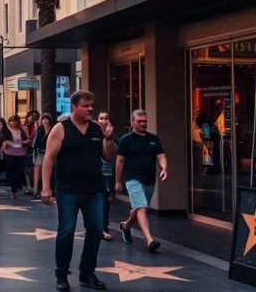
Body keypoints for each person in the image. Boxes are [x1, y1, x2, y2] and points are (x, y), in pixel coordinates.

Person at [41, 90, 116, 292]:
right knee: (66, 231)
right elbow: (48, 158)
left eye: (92, 105)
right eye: (86, 105)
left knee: (94, 231)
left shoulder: (97, 129)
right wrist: (46, 187)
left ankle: (87, 274)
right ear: (74, 107)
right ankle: (62, 275)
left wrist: (108, 139)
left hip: (94, 191)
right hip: (68, 191)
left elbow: (109, 157)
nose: (90, 108)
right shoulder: (61, 128)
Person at [116, 109, 168, 253]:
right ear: (133, 122)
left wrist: (164, 168)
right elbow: (119, 161)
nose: (143, 123)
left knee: (140, 208)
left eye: (145, 121)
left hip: (149, 179)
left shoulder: (153, 139)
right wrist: (118, 181)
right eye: (140, 121)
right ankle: (149, 240)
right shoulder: (126, 140)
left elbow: (161, 156)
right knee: (142, 208)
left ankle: (125, 226)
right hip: (132, 178)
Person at [97, 111, 116, 240]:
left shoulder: (112, 137)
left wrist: (107, 137)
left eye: (106, 118)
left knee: (105, 202)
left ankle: (103, 227)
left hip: (106, 174)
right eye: (101, 118)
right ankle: (95, 228)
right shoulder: (91, 134)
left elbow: (110, 156)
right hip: (93, 174)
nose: (104, 121)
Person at [2, 115, 29, 198]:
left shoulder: (22, 130)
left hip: (20, 153)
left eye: (15, 121)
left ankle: (19, 186)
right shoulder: (7, 131)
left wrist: (23, 142)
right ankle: (14, 190)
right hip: (10, 154)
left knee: (19, 171)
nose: (13, 123)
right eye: (12, 122)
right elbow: (4, 140)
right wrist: (6, 145)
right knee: (11, 172)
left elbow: (28, 140)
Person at [31, 114, 53, 200]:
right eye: (43, 119)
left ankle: (45, 189)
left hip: (48, 153)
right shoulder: (39, 129)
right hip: (40, 152)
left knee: (46, 172)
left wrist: (47, 131)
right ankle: (35, 190)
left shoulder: (52, 129)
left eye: (46, 119)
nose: (45, 121)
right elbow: (36, 143)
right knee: (37, 171)